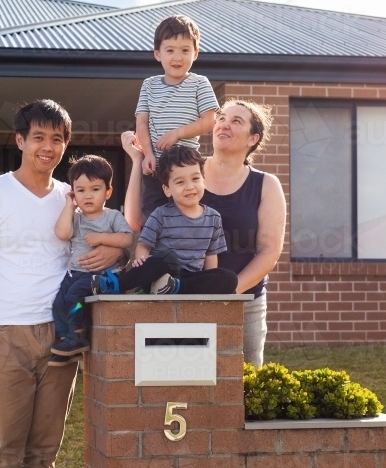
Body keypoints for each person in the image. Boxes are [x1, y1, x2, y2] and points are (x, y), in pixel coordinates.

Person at [0, 100, 125, 468]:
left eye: (57, 139)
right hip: (7, 335)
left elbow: (110, 241)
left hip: (60, 335)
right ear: (20, 140)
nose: (47, 147)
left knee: (44, 450)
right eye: (38, 137)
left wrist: (109, 255)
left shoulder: (73, 198)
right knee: (6, 450)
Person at [122, 99, 285, 365]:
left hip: (244, 301)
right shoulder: (188, 170)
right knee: (185, 380)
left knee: (243, 386)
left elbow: (269, 252)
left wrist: (226, 295)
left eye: (236, 121)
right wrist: (136, 161)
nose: (224, 124)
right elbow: (137, 221)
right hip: (182, 299)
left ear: (253, 138)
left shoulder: (266, 184)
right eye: (221, 118)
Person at [92, 145, 237, 295]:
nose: (190, 187)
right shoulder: (161, 214)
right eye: (180, 182)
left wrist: (211, 280)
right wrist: (142, 261)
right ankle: (115, 285)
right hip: (161, 272)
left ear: (204, 180)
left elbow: (211, 256)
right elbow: (144, 245)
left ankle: (175, 287)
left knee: (229, 278)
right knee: (165, 258)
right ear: (167, 189)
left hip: (189, 279)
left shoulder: (213, 217)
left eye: (195, 179)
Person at [135, 14, 219, 219]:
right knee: (153, 214)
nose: (177, 57)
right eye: (170, 50)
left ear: (195, 53)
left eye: (185, 50)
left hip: (186, 166)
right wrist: (147, 154)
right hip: (156, 164)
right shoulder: (149, 85)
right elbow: (142, 123)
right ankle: (154, 252)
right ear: (158, 54)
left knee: (187, 214)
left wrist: (178, 133)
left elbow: (209, 120)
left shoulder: (200, 83)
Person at [50, 154, 133, 362]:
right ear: (73, 193)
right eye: (81, 190)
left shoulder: (112, 216)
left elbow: (128, 239)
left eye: (95, 189)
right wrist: (69, 206)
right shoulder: (75, 218)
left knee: (74, 298)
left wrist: (103, 238)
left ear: (108, 192)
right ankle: (66, 339)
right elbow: (61, 233)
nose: (88, 196)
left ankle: (78, 334)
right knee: (59, 302)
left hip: (102, 273)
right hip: (76, 272)